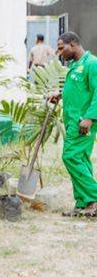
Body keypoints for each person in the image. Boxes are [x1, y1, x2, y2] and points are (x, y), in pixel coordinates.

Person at [49, 31, 97, 217]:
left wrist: (90, 118)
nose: (60, 52)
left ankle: (93, 197)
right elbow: (78, 89)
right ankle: (84, 203)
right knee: (81, 160)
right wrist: (59, 95)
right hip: (72, 121)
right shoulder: (76, 65)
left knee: (70, 157)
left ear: (74, 44)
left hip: (82, 123)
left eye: (62, 48)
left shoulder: (91, 64)